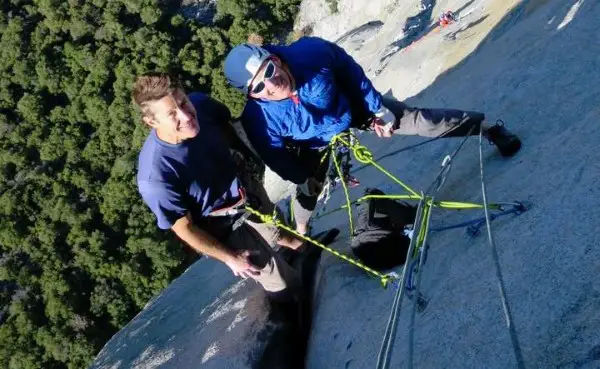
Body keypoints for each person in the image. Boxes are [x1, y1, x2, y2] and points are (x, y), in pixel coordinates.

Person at [223, 37, 522, 235]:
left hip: (349, 107)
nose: (272, 83)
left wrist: (378, 110)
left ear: (275, 57)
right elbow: (275, 155)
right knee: (307, 191)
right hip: (313, 142)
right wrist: (303, 174)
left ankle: (488, 129)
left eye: (270, 70)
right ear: (251, 95)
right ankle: (302, 234)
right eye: (260, 86)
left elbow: (349, 71)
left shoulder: (310, 54)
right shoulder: (258, 119)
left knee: (421, 121)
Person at [132, 73, 303, 300]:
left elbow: (227, 127)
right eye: (171, 114)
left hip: (242, 187)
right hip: (221, 223)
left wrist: (243, 159)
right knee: (279, 281)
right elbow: (184, 228)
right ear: (152, 122)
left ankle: (301, 253)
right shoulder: (156, 177)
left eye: (183, 103)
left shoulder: (202, 105)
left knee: (282, 233)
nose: (185, 115)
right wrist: (230, 258)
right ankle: (293, 309)